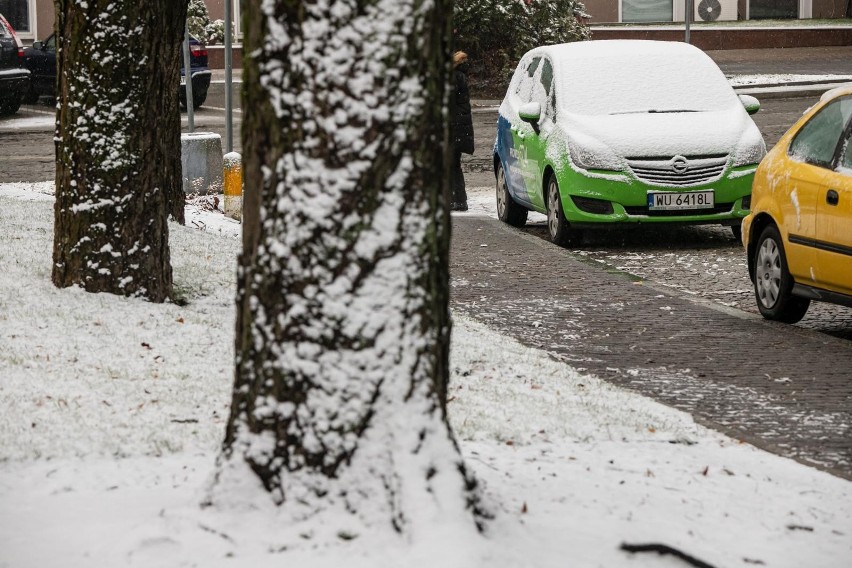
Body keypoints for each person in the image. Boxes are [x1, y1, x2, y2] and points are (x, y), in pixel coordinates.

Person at [451, 51, 474, 212]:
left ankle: (457, 200)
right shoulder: (459, 76)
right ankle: (458, 200)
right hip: (457, 128)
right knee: (453, 165)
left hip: (452, 128)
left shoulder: (454, 77)